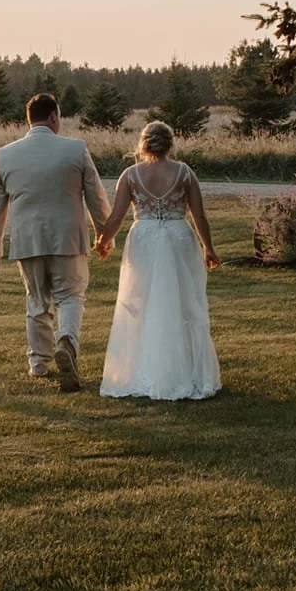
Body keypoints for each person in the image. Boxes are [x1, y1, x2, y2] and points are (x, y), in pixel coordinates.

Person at [0, 92, 113, 392]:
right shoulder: (75, 149)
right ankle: (66, 341)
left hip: (27, 240)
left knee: (37, 300)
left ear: (29, 119)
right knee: (70, 296)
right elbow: (96, 196)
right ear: (54, 116)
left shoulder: (6, 154)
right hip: (68, 237)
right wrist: (105, 236)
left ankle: (39, 363)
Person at [94, 120, 221, 401]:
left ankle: (144, 370)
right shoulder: (184, 172)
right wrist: (208, 247)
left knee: (142, 303)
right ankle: (184, 372)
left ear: (143, 144)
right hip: (178, 237)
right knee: (183, 302)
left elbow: (116, 216)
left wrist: (104, 241)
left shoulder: (130, 175)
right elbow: (199, 216)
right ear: (170, 144)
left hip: (145, 238)